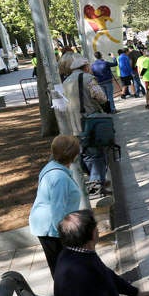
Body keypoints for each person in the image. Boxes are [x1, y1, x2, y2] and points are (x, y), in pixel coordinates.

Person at [29, 135, 82, 277]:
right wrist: (65, 236)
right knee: (62, 268)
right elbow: (57, 210)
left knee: (63, 267)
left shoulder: (53, 166)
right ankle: (67, 295)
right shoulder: (60, 178)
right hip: (51, 228)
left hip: (47, 225)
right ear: (73, 155)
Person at [61, 53, 108, 197]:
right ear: (85, 67)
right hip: (90, 122)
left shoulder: (66, 82)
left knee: (85, 153)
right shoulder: (88, 79)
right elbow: (101, 97)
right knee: (96, 154)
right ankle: (96, 184)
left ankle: (93, 181)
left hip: (74, 125)